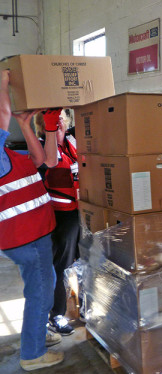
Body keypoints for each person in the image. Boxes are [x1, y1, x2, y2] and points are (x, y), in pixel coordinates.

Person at [0, 70, 64, 371]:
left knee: (42, 286)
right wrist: (3, 81)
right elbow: (2, 112)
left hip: (31, 236)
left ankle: (36, 334)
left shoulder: (10, 155)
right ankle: (33, 354)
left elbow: (43, 161)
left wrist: (26, 124)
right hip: (25, 237)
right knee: (40, 291)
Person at [34, 108, 79, 336]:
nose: (59, 120)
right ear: (44, 125)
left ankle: (87, 308)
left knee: (86, 262)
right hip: (60, 216)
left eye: (62, 117)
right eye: (53, 119)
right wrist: (53, 133)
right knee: (60, 266)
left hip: (83, 212)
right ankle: (56, 315)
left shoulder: (73, 141)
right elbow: (50, 163)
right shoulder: (42, 147)